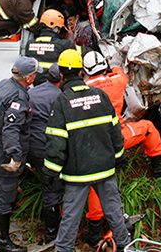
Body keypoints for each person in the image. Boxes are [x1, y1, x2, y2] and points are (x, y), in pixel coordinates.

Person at [41, 49, 130, 252]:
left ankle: (63, 249)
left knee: (71, 216)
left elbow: (56, 143)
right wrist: (119, 157)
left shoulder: (62, 103)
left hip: (77, 174)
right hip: (105, 168)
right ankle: (124, 245)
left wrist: (50, 172)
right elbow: (115, 131)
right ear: (82, 72)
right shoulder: (101, 96)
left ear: (62, 75)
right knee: (114, 211)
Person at [80, 51, 161, 246]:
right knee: (148, 128)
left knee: (96, 186)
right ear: (104, 66)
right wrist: (114, 64)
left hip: (95, 145)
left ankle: (94, 232)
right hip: (120, 137)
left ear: (85, 71)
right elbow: (121, 71)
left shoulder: (84, 88)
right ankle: (158, 168)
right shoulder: (119, 80)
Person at [0, 56, 42, 252]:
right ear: (29, 78)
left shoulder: (4, 84)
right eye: (35, 74)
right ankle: (2, 242)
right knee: (4, 196)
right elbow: (11, 128)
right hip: (1, 154)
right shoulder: (18, 97)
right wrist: (15, 156)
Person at [27, 63, 64, 244]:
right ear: (62, 78)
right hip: (44, 148)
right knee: (51, 187)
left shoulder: (32, 92)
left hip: (26, 146)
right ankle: (51, 234)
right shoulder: (60, 97)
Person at [26, 9, 76, 86]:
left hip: (34, 85)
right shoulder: (64, 45)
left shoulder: (29, 44)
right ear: (55, 29)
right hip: (55, 85)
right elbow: (81, 52)